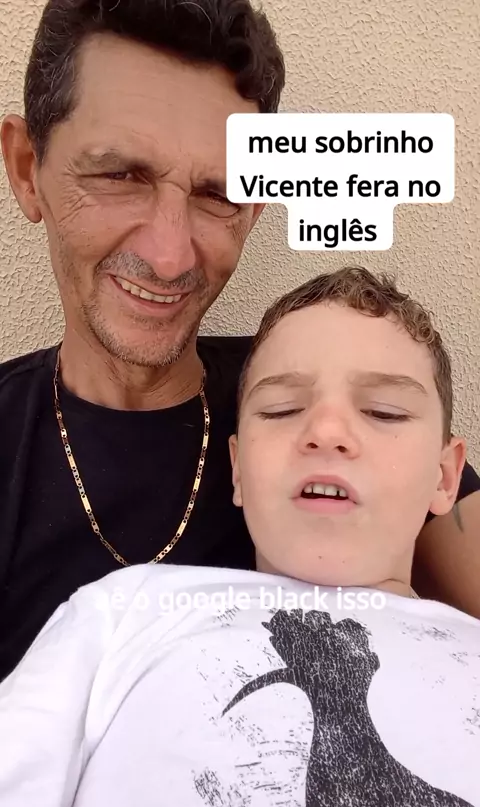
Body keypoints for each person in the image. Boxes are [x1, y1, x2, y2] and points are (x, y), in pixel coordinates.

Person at [0, 0, 479, 686]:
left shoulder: (323, 388)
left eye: (218, 193)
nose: (169, 256)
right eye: (119, 175)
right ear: (26, 168)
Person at [0, 267, 479, 807]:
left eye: (383, 412)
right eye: (281, 409)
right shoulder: (125, 608)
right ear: (237, 470)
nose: (326, 431)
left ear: (446, 477)